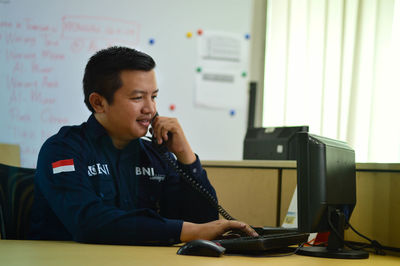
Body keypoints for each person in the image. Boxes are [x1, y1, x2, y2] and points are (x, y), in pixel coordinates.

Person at [29, 46, 257, 245]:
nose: (150, 109)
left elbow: (203, 222)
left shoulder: (155, 154)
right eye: (137, 98)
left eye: (154, 96)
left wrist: (185, 156)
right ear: (98, 103)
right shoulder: (63, 149)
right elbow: (89, 222)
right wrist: (187, 231)